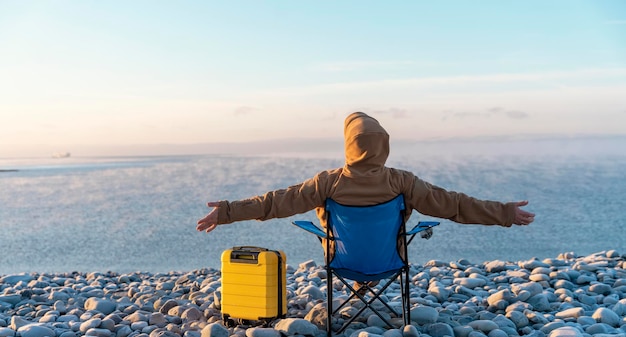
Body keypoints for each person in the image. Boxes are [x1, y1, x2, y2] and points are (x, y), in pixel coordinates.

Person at [197, 112, 535, 238]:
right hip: (388, 259)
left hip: (342, 259)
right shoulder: (402, 181)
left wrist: (227, 212)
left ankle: (352, 280)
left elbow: (274, 203)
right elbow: (454, 205)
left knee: (325, 215)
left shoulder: (327, 182)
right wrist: (505, 212)